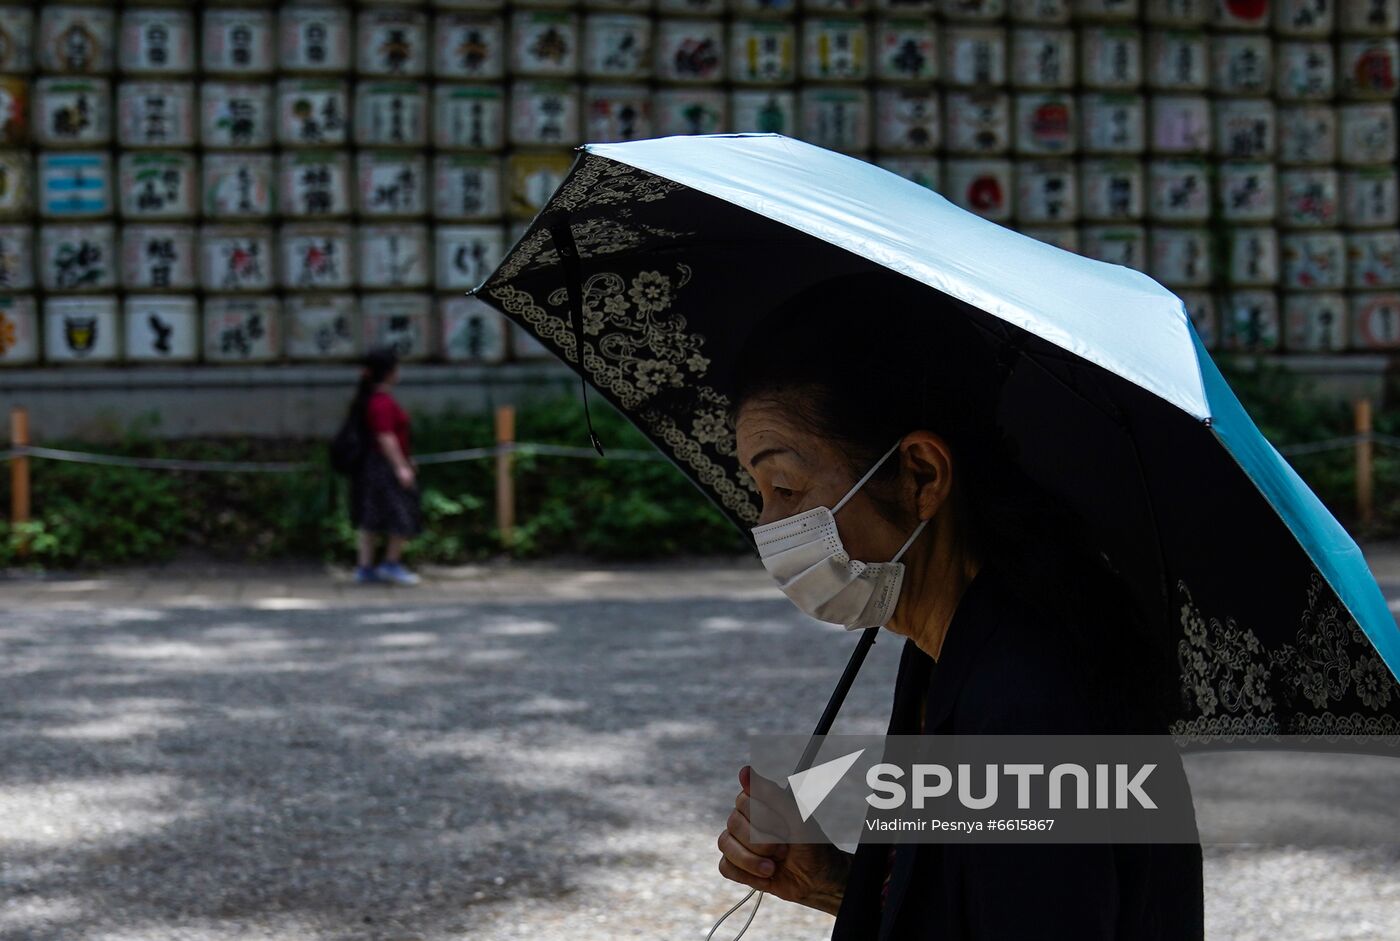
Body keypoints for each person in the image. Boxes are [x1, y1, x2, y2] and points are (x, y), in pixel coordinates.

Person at [715, 273, 1203, 939]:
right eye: (760, 492)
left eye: (786, 486)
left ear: (922, 474)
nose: (768, 525)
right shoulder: (941, 652)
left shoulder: (1027, 702)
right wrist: (836, 883)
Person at [347, 347, 422, 585]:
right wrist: (401, 466)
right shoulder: (382, 403)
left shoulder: (370, 400)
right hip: (383, 465)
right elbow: (386, 437)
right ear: (389, 373)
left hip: (373, 465)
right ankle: (390, 562)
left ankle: (366, 566)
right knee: (399, 512)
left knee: (371, 515)